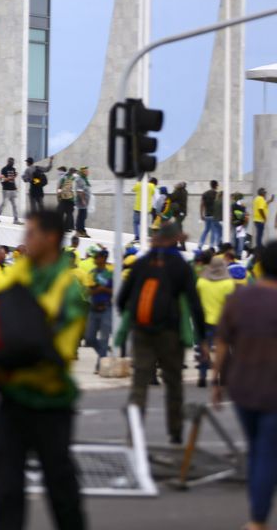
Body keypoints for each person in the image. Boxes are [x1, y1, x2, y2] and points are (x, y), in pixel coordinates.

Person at [0, 210, 87, 530]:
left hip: (51, 403)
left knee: (61, 489)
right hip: (13, 400)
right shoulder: (19, 274)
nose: (24, 240)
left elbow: (59, 351)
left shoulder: (68, 288)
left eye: (30, 233)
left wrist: (6, 363)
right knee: (6, 487)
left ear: (50, 238)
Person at [117, 222, 206, 444]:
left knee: (139, 383)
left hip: (141, 331)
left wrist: (133, 322)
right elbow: (195, 304)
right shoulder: (180, 266)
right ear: (176, 239)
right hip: (170, 333)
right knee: (173, 382)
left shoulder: (141, 263)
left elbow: (122, 298)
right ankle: (175, 432)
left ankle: (134, 435)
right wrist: (202, 339)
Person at [211, 241, 277, 530]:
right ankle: (258, 519)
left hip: (242, 388)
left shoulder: (239, 298)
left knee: (256, 450)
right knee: (267, 453)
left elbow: (222, 342)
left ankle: (256, 516)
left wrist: (216, 381)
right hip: (273, 391)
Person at [195, 251, 235, 388]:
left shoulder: (201, 282)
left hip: (205, 320)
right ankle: (223, 377)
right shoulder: (228, 283)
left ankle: (202, 376)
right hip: (222, 321)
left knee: (203, 348)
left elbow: (197, 300)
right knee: (223, 349)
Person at [80, 248, 113, 373]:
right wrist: (99, 289)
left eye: (97, 257)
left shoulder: (110, 273)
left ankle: (100, 364)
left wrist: (102, 289)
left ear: (103, 258)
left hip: (106, 308)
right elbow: (88, 290)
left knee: (104, 339)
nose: (95, 259)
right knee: (89, 338)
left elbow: (115, 290)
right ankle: (104, 356)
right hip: (93, 309)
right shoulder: (92, 273)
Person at [131, 176, 157, 240]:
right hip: (147, 208)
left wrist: (138, 183)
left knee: (136, 222)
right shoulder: (151, 185)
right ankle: (143, 236)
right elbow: (155, 193)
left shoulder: (139, 184)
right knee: (143, 223)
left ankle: (137, 236)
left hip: (137, 207)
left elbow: (133, 189)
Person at [200, 180, 222, 249]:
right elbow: (219, 205)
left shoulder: (205, 194)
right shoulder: (217, 194)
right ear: (216, 186)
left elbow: (202, 205)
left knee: (206, 230)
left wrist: (201, 214)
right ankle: (211, 246)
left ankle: (200, 244)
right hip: (214, 216)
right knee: (214, 231)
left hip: (207, 215)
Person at [56, 167, 76, 233]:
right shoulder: (74, 179)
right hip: (71, 199)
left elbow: (60, 188)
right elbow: (75, 190)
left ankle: (61, 227)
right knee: (69, 214)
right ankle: (68, 228)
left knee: (60, 212)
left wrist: (59, 196)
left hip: (63, 198)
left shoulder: (64, 178)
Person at [74, 167, 91, 238]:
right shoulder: (80, 179)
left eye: (87, 171)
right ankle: (79, 231)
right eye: (86, 171)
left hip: (85, 201)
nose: (88, 172)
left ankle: (82, 230)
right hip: (81, 201)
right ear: (82, 172)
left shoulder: (84, 179)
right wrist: (83, 200)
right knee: (81, 216)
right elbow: (79, 191)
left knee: (83, 216)